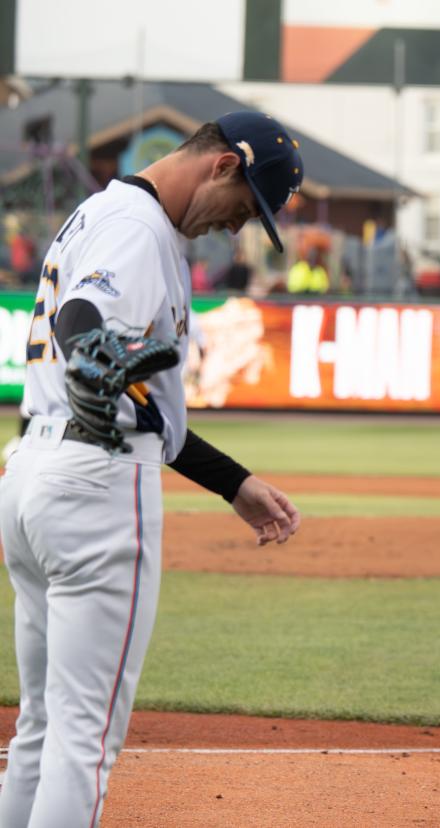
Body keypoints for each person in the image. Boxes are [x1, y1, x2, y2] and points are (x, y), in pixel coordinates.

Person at [0, 111, 304, 828]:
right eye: (245, 208)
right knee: (84, 740)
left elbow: (147, 405)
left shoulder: (105, 209)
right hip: (95, 486)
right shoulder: (139, 231)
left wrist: (233, 481)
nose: (238, 228)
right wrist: (95, 362)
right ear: (223, 166)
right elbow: (84, 316)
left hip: (35, 471)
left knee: (42, 731)